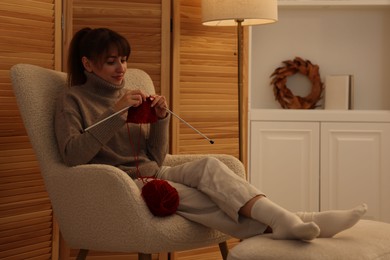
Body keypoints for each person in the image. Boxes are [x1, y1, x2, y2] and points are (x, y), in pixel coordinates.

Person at [55, 27, 367, 241]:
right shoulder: (73, 100)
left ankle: (288, 221)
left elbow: (154, 157)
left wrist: (161, 120)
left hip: (154, 171)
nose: (121, 68)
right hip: (121, 183)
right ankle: (294, 220)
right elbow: (72, 155)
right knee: (198, 197)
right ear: (88, 64)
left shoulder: (133, 93)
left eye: (123, 60)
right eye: (111, 62)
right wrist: (114, 114)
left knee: (211, 167)